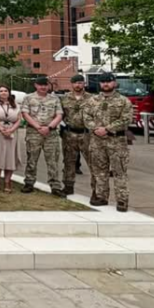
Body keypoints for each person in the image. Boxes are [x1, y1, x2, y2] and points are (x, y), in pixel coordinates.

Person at [85, 73, 131, 211]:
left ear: (114, 83)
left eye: (109, 82)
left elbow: (127, 119)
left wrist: (108, 129)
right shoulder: (92, 101)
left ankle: (122, 200)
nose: (106, 84)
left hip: (117, 142)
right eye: (103, 82)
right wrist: (95, 128)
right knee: (100, 171)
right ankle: (101, 197)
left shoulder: (123, 101)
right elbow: (86, 117)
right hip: (97, 141)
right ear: (99, 84)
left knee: (119, 172)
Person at [21, 77, 66, 197]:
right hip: (34, 132)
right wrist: (38, 127)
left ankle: (55, 186)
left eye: (45, 85)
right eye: (40, 85)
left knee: (53, 161)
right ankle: (29, 182)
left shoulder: (55, 98)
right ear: (35, 85)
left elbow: (59, 115)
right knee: (32, 159)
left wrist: (49, 127)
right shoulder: (28, 98)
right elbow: (25, 114)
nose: (43, 87)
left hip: (51, 134)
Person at [61, 74, 94, 196]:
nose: (78, 85)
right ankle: (68, 186)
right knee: (69, 161)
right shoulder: (65, 98)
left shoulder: (92, 99)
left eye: (80, 83)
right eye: (75, 83)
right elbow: (60, 115)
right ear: (72, 84)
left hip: (86, 134)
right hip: (69, 133)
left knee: (92, 162)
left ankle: (96, 190)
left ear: (84, 84)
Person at [0, 85, 22, 192]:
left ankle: (7, 181)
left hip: (12, 133)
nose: (3, 93)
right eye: (1, 91)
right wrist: (1, 129)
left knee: (10, 157)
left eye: (5, 91)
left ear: (9, 92)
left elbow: (19, 120)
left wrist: (11, 130)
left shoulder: (15, 105)